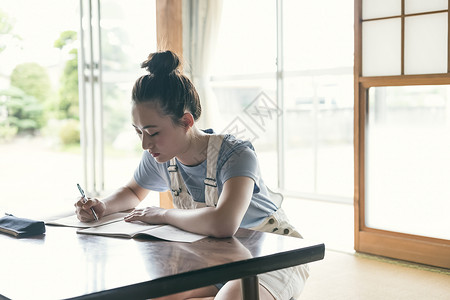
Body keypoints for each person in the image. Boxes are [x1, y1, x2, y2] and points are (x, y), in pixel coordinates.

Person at [74, 50, 309, 300]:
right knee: (149, 294)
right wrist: (102, 206)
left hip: (270, 255)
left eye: (152, 132)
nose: (145, 144)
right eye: (138, 132)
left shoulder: (236, 156)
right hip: (216, 256)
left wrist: (162, 214)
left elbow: (223, 223)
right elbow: (133, 192)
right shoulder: (160, 155)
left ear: (186, 122)